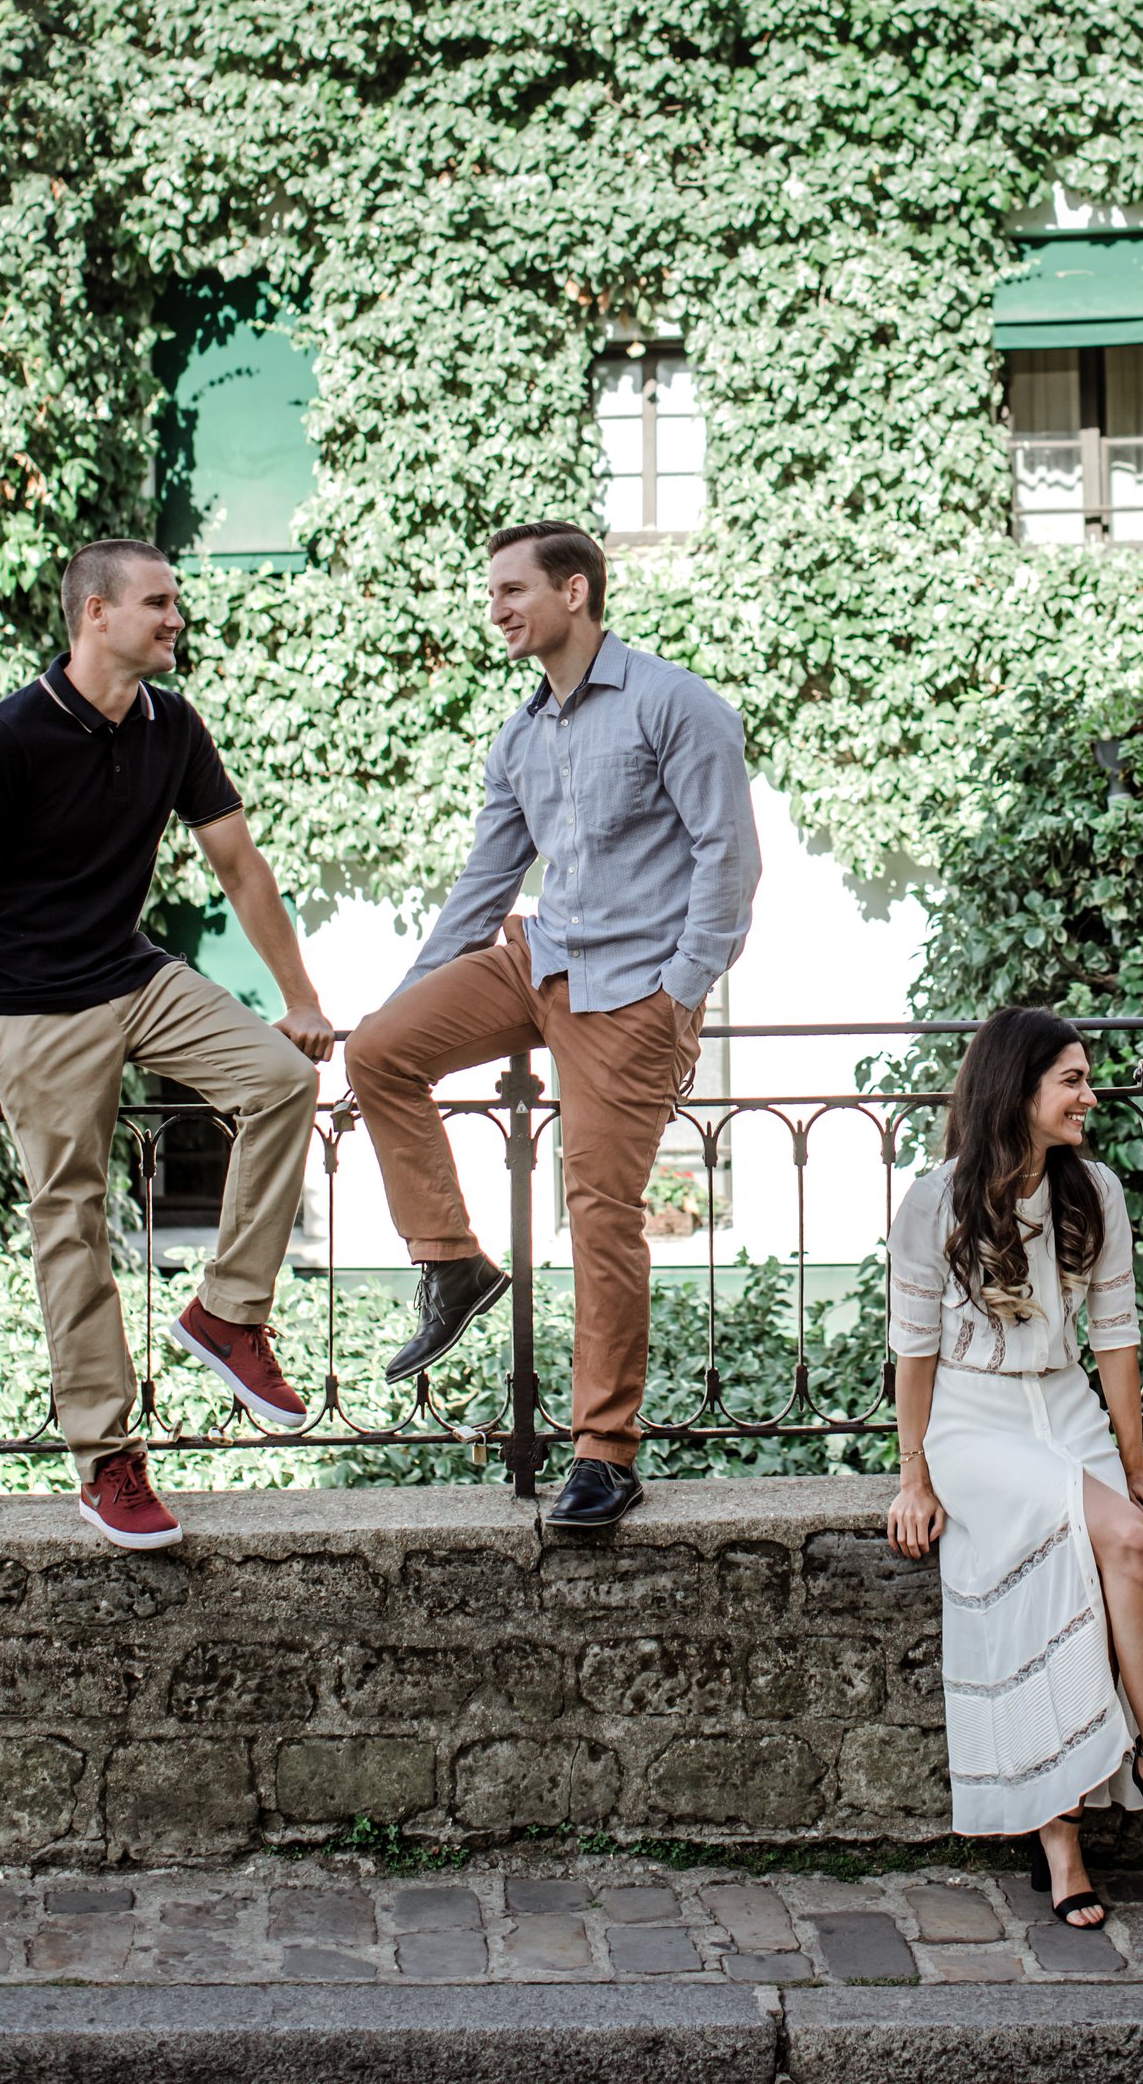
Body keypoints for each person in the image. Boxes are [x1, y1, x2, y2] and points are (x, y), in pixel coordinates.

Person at [0, 540, 335, 1552]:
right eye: (158, 602)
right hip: (33, 1010)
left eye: (175, 602)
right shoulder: (9, 737)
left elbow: (240, 866)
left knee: (279, 1079)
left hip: (132, 975)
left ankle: (229, 1314)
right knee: (74, 1226)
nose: (175, 618)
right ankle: (106, 1462)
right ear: (96, 614)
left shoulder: (171, 724)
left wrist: (301, 996)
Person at [343, 522, 758, 1531]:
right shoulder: (520, 735)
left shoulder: (674, 703)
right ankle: (454, 1261)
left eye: (513, 590)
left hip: (630, 990)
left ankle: (603, 1452)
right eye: (491, 592)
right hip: (537, 959)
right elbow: (484, 884)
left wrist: (681, 994)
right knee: (377, 1052)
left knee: (601, 1213)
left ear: (575, 592)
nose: (496, 609)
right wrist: (404, 998)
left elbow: (730, 859)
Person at [886, 1008, 1143, 1929]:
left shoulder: (1094, 1191)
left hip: (1066, 1408)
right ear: (1019, 1090)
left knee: (1116, 1547)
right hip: (972, 1420)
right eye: (1072, 1080)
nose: (1091, 1096)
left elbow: (1116, 1336)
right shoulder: (933, 1201)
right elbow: (914, 1351)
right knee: (1104, 1542)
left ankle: (1081, 1825)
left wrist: (1136, 1466)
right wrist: (914, 1477)